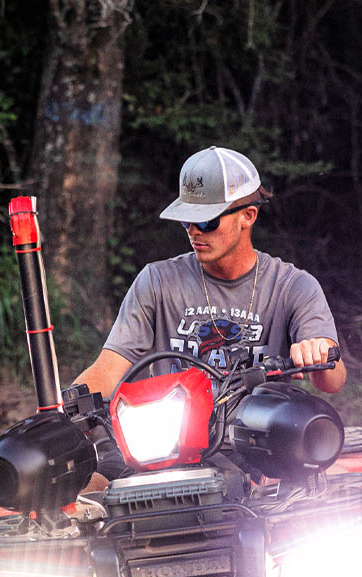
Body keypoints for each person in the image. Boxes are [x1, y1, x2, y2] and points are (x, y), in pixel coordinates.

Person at [71, 146, 346, 396]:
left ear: (248, 216)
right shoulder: (156, 282)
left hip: (262, 441)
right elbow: (107, 370)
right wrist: (58, 415)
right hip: (170, 444)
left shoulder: (293, 286)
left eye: (206, 222)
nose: (193, 231)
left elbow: (333, 382)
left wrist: (317, 353)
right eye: (187, 220)